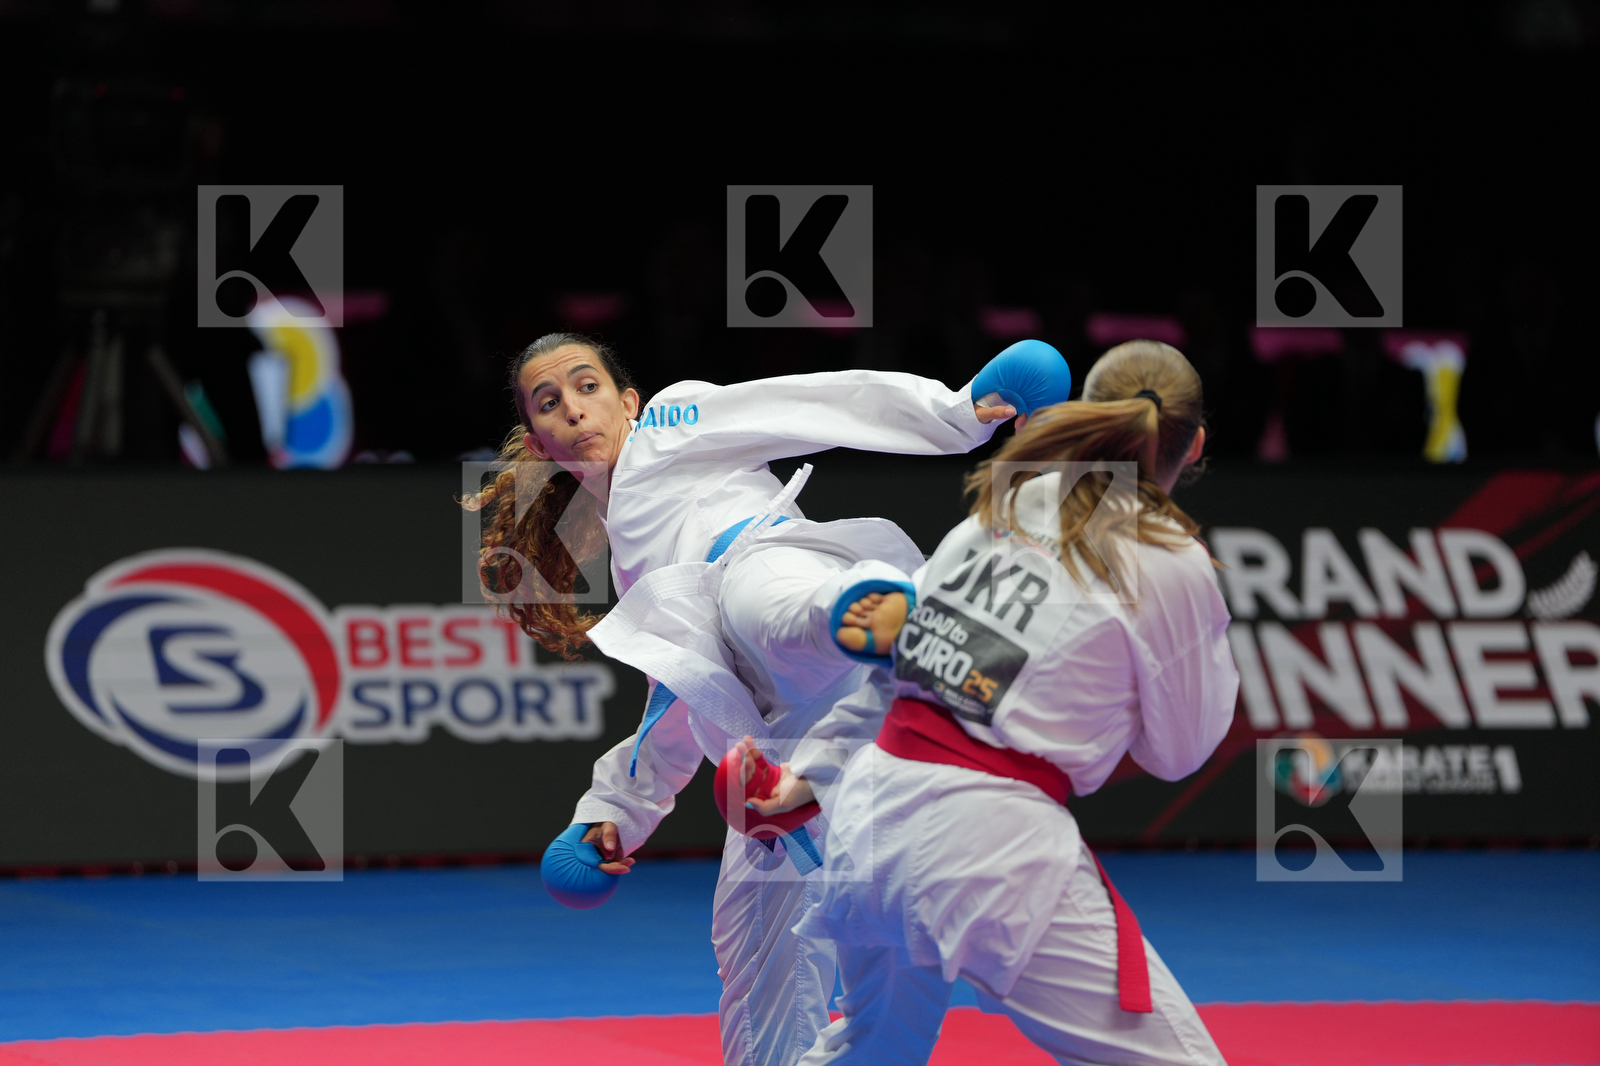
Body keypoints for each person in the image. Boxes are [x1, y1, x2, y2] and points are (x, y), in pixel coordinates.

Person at [470, 332, 1064, 1066]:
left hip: (769, 568)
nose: (574, 411)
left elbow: (810, 402)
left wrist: (958, 411)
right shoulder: (634, 563)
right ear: (540, 441)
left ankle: (881, 611)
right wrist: (612, 813)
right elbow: (682, 699)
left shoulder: (672, 420)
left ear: (628, 401)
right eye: (550, 404)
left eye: (587, 386)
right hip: (778, 752)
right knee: (754, 953)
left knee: (767, 602)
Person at [743, 339, 1239, 1066]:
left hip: (872, 818)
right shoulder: (1168, 555)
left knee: (871, 1052)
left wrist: (809, 778)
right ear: (1193, 446)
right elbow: (1178, 752)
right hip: (989, 847)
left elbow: (903, 670)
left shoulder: (1002, 503)